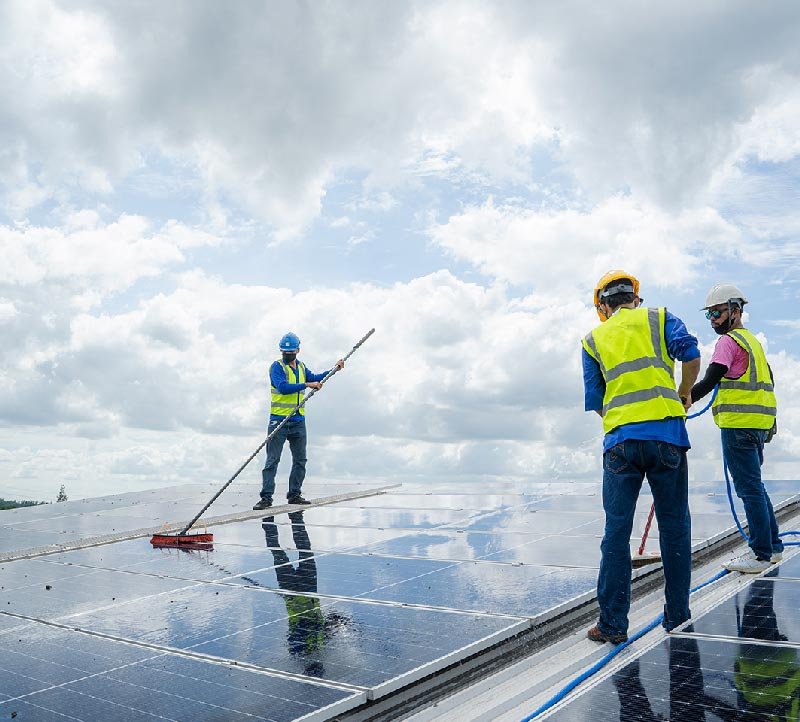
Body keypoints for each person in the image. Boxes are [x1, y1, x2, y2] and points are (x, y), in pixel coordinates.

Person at [582, 270, 701, 643]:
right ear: (635, 295)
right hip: (667, 437)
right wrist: (684, 393)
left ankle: (613, 625)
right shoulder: (662, 318)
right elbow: (692, 356)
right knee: (675, 527)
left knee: (616, 533)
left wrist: (623, 422)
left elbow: (596, 402)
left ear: (603, 305)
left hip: (620, 444)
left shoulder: (592, 339)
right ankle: (677, 616)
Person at [690, 284, 781, 573]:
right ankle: (773, 547)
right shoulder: (753, 342)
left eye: (717, 313)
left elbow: (711, 378)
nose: (713, 320)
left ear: (735, 310)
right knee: (756, 487)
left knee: (749, 490)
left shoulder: (728, 343)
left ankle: (760, 553)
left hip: (738, 427)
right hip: (758, 427)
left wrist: (683, 400)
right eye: (710, 316)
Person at [253, 332, 344, 510]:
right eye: (285, 352)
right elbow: (283, 387)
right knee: (272, 460)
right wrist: (306, 385)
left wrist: (334, 369)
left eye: (291, 352)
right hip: (278, 421)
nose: (288, 355)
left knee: (300, 459)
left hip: (298, 421)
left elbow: (315, 378)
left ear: (298, 350)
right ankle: (266, 498)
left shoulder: (301, 367)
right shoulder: (277, 367)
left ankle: (294, 494)